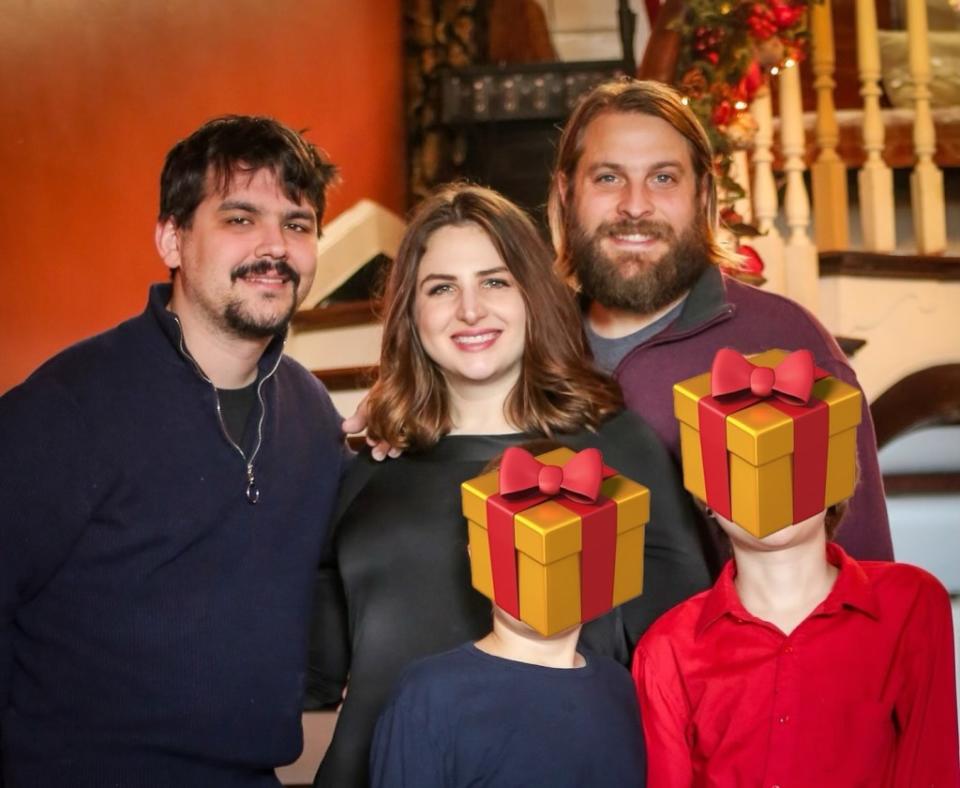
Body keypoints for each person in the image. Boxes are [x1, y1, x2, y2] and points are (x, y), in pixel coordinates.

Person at [310, 183, 710, 788]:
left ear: (533, 296)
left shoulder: (615, 451)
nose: (470, 310)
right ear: (412, 315)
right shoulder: (370, 467)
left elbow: (681, 656)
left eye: (495, 281)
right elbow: (313, 665)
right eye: (441, 288)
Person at [0, 116, 347, 787]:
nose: (275, 246)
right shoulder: (66, 408)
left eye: (298, 224)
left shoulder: (312, 415)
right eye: (240, 218)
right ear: (172, 238)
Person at [545, 78, 894, 563]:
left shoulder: (787, 344)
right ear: (566, 192)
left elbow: (863, 573)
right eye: (608, 177)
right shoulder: (529, 347)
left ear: (703, 193)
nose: (635, 204)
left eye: (663, 178)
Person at [633, 481, 959, 785]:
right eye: (740, 464)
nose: (769, 485)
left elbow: (931, 767)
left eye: (792, 461)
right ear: (708, 496)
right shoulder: (668, 646)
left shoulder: (909, 602)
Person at [369, 444, 646, 788]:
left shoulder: (620, 687)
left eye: (565, 548)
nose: (542, 567)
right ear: (477, 554)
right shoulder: (429, 695)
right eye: (521, 548)